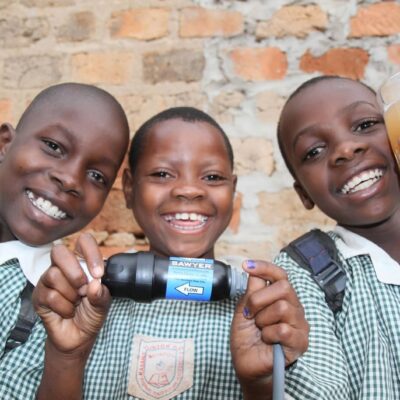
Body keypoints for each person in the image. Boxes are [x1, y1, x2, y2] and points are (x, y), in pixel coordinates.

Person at [32, 106, 308, 400]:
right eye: (162, 174)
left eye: (213, 177)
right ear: (128, 189)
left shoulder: (270, 314)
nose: (189, 190)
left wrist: (259, 387)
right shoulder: (74, 301)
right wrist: (66, 357)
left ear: (233, 190)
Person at [271, 75, 400, 399]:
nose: (346, 148)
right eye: (314, 151)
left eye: (365, 124)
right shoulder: (306, 272)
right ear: (303, 193)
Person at [0, 82, 130, 397]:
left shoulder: (53, 305)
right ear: (4, 144)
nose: (70, 179)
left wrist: (65, 355)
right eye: (54, 146)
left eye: (97, 176)